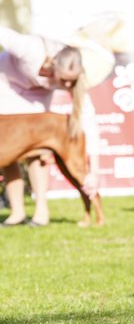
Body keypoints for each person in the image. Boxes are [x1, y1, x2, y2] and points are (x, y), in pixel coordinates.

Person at [0, 26, 99, 227]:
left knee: (37, 151)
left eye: (72, 82)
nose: (68, 86)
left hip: (37, 96)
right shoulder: (30, 49)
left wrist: (94, 171)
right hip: (6, 85)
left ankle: (41, 212)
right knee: (7, 150)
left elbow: (88, 120)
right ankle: (17, 213)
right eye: (63, 80)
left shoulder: (74, 76)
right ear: (53, 65)